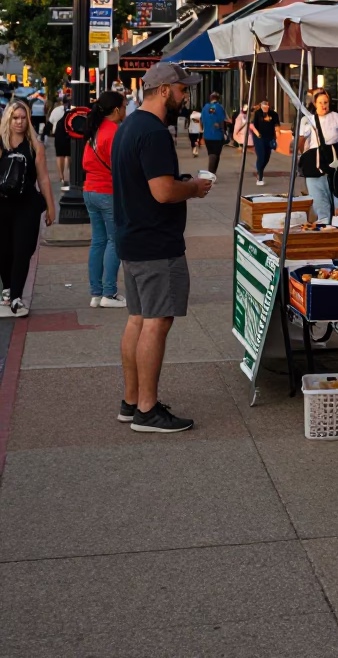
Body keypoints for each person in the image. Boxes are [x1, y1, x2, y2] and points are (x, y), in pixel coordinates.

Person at [112, 63, 213, 433]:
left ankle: (131, 401)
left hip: (133, 237)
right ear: (165, 89)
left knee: (138, 319)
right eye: (182, 89)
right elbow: (163, 191)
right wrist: (193, 187)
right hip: (155, 242)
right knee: (157, 321)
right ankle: (148, 410)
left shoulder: (128, 126)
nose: (185, 95)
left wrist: (178, 182)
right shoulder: (154, 132)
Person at [0, 100, 55, 317]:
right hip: (2, 204)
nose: (19, 122)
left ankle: (16, 297)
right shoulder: (1, 144)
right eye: (15, 118)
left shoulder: (35, 146)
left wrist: (51, 207)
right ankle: (7, 288)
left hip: (27, 205)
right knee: (4, 250)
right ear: (8, 119)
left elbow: (43, 179)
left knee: (24, 250)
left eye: (23, 118)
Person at [82, 91, 127, 309]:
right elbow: (121, 165)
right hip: (107, 191)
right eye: (125, 106)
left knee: (98, 241)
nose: (126, 110)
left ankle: (96, 294)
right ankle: (109, 292)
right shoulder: (114, 131)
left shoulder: (95, 130)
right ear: (116, 109)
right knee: (113, 240)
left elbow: (85, 162)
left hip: (89, 190)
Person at [298, 88, 338, 222]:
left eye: (326, 102)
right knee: (319, 203)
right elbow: (301, 142)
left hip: (334, 167)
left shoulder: (335, 117)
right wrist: (305, 155)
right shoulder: (309, 120)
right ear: (315, 104)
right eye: (320, 102)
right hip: (315, 168)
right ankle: (325, 230)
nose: (323, 105)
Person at [249, 98, 280, 185]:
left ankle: (260, 168)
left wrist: (277, 136)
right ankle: (260, 177)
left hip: (270, 138)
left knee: (267, 157)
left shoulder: (274, 114)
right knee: (261, 155)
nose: (265, 107)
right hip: (259, 137)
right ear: (261, 106)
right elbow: (253, 126)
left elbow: (277, 126)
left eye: (267, 105)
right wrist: (257, 134)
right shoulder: (257, 113)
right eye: (264, 105)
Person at [200, 91, 228, 173]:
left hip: (207, 135)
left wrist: (203, 131)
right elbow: (222, 121)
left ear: (210, 98)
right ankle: (211, 172)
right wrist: (224, 132)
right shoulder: (219, 107)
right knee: (216, 154)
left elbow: (201, 121)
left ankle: (212, 173)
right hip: (217, 135)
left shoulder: (205, 107)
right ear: (218, 99)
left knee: (211, 153)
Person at [52, 100, 71, 189]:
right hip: (69, 134)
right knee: (68, 155)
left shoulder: (56, 110)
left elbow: (50, 121)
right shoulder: (73, 111)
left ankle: (61, 177)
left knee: (60, 156)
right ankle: (67, 176)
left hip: (58, 135)